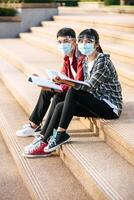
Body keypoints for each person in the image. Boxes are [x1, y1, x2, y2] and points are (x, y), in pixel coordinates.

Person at [23, 28, 122, 158]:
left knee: (73, 92)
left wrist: (66, 81)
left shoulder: (102, 61)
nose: (84, 44)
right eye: (81, 41)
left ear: (96, 44)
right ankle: (44, 140)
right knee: (60, 106)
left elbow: (89, 87)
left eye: (88, 41)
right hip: (96, 102)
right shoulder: (87, 61)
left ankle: (60, 134)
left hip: (110, 107)